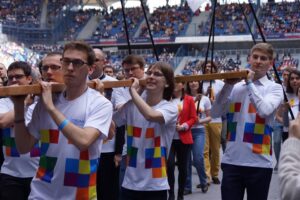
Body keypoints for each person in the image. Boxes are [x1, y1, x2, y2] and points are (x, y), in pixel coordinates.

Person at [12, 41, 113, 199]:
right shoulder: (45, 103)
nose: (70, 68)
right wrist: (18, 106)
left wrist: (52, 108)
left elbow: (83, 141)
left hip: (80, 194)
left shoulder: (100, 104)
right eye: (66, 62)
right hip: (40, 193)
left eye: (78, 63)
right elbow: (23, 147)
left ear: (91, 69)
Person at [211, 43, 283, 200]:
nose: (258, 61)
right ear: (249, 59)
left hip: (260, 163)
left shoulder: (275, 88)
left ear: (271, 64)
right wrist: (227, 86)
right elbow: (215, 113)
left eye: (263, 58)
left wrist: (249, 83)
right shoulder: (235, 87)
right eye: (255, 57)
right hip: (232, 160)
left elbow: (264, 111)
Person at [113, 61, 177, 200]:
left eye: (158, 74)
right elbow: (114, 122)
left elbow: (150, 115)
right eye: (149, 73)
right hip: (129, 183)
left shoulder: (169, 108)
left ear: (167, 83)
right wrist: (137, 93)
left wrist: (133, 92)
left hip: (155, 185)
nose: (151, 76)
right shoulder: (131, 105)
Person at [0, 61, 39, 200]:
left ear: (29, 79)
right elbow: (3, 122)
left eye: (18, 76)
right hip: (10, 173)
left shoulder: (40, 103)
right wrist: (23, 102)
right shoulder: (3, 103)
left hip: (39, 173)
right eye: (11, 78)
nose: (14, 80)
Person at [113, 54, 146, 197]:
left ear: (143, 68)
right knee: (125, 188)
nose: (130, 73)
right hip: (130, 147)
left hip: (153, 145)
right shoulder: (120, 89)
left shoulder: (153, 85)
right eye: (126, 70)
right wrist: (136, 90)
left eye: (133, 69)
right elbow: (122, 112)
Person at [167, 82, 197, 200]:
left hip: (183, 137)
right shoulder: (166, 98)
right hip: (169, 138)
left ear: (183, 85)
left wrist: (184, 126)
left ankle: (180, 194)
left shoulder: (189, 99)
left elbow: (193, 118)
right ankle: (171, 194)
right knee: (169, 166)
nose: (174, 84)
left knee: (183, 167)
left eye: (178, 82)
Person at [184, 81, 211, 194]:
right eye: (191, 81)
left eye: (196, 81)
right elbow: (181, 114)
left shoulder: (205, 99)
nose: (193, 83)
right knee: (186, 160)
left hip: (199, 131)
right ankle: (187, 186)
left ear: (199, 83)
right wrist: (194, 101)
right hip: (186, 131)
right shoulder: (184, 98)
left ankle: (204, 181)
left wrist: (200, 120)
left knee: (198, 158)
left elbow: (209, 118)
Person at [201, 61, 224, 185]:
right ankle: (207, 176)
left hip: (216, 119)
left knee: (215, 149)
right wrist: (205, 95)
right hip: (203, 120)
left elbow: (224, 101)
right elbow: (196, 100)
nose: (208, 68)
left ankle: (215, 174)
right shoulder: (199, 83)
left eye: (210, 67)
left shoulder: (220, 83)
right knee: (204, 150)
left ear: (214, 69)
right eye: (206, 67)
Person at [278, 90, 300, 200]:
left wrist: (293, 141)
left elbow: (290, 189)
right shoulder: (288, 99)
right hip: (290, 133)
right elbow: (285, 122)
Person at [276, 69, 300, 142]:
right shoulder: (286, 96)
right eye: (292, 79)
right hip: (288, 133)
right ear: (289, 82)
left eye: (297, 78)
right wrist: (285, 110)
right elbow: (279, 117)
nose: (294, 81)